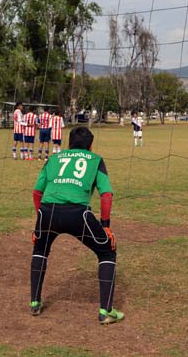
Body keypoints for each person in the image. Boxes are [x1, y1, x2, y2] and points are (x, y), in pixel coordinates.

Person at [30, 126, 124, 324]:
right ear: (90, 145)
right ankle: (106, 311)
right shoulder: (96, 160)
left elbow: (37, 192)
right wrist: (105, 226)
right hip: (77, 213)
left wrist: (39, 218)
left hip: (48, 212)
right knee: (107, 251)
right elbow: (106, 194)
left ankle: (35, 303)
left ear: (68, 144)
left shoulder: (53, 158)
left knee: (40, 248)